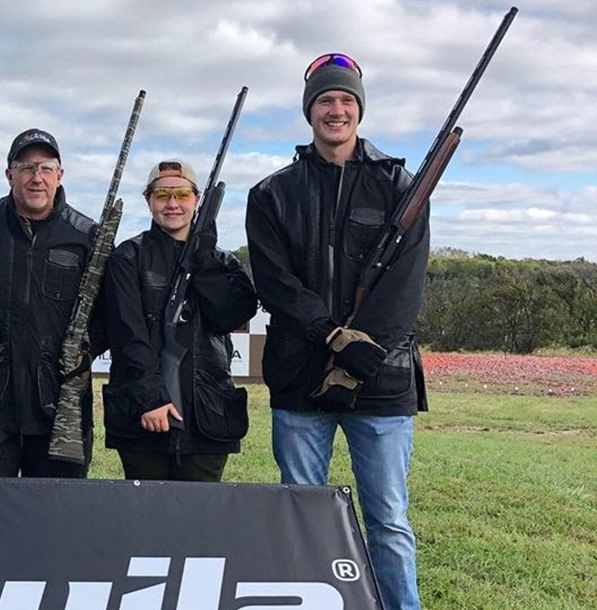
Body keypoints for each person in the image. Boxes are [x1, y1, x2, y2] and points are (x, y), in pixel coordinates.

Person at [245, 54, 428, 610]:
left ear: (359, 109)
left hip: (382, 381)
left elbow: (404, 287)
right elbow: (274, 284)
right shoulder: (271, 193)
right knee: (301, 513)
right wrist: (331, 336)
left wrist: (359, 353)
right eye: (325, 99)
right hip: (301, 380)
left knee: (389, 520)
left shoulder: (401, 185)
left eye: (346, 100)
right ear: (309, 111)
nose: (336, 109)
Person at [0, 128, 104, 478]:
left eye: (46, 168)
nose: (37, 178)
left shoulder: (87, 235)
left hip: (59, 398)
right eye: (26, 167)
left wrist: (83, 350)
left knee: (56, 516)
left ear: (60, 175)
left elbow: (108, 313)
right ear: (9, 175)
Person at [102, 159, 257, 481]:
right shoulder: (127, 257)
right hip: (142, 418)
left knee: (199, 522)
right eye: (162, 195)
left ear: (197, 200)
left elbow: (231, 315)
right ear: (149, 201)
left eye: (182, 194)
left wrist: (206, 261)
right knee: (145, 520)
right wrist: (151, 399)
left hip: (208, 416)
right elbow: (127, 336)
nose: (172, 204)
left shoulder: (222, 261)